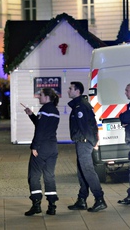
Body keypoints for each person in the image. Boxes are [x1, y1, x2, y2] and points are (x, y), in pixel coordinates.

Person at [67, 81, 107, 213]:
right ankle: (82, 200)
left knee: (88, 171)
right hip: (82, 142)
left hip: (84, 142)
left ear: (77, 91)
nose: (68, 91)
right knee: (82, 172)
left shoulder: (80, 106)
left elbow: (86, 126)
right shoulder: (79, 105)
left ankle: (99, 199)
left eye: (71, 88)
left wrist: (91, 141)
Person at [23, 88, 60, 216]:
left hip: (42, 147)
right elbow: (42, 126)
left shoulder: (44, 110)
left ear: (47, 97)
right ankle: (52, 206)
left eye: (41, 95)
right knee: (49, 176)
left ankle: (36, 204)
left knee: (34, 176)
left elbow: (40, 131)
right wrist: (31, 115)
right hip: (52, 147)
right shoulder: (55, 110)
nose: (39, 97)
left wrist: (34, 146)